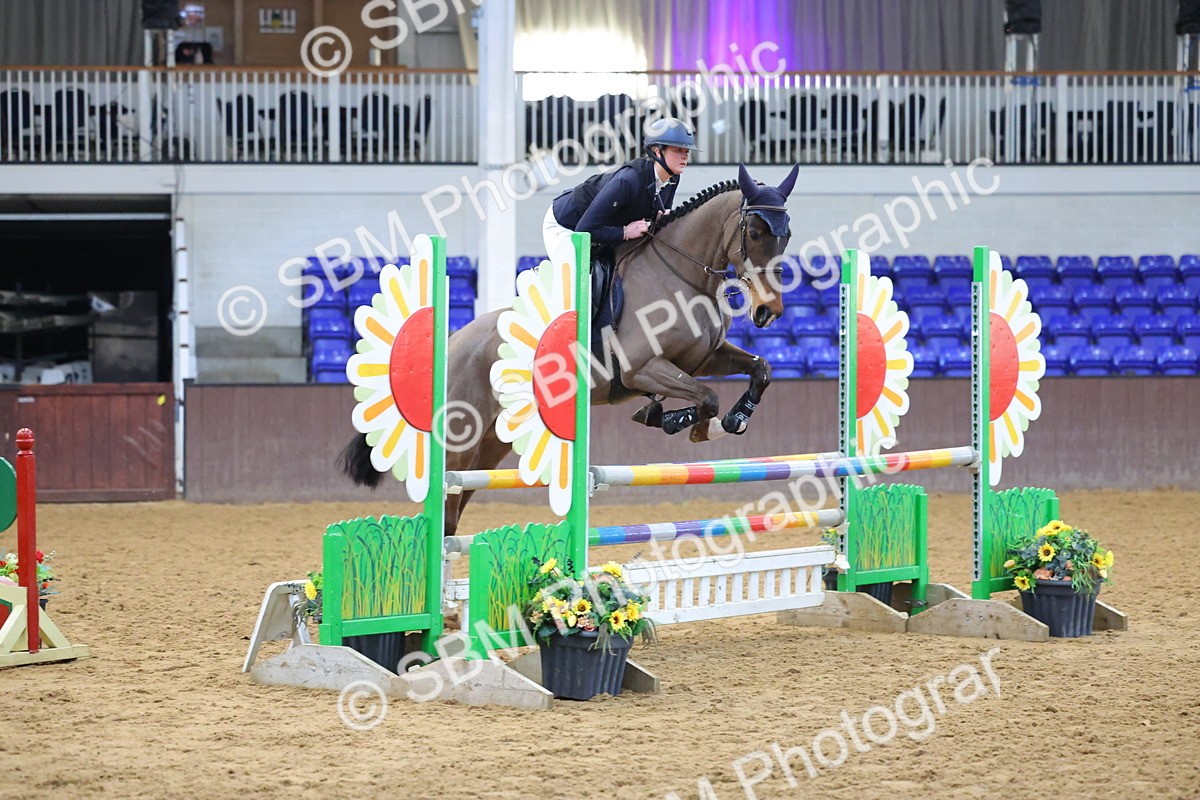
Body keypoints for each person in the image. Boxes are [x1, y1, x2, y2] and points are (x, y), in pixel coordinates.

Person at [542, 117, 698, 257]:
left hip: (600, 229)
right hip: (565, 224)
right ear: (658, 152)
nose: (685, 156)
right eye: (678, 150)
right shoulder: (628, 181)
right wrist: (624, 233)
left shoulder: (673, 177)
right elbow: (584, 229)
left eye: (687, 151)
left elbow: (656, 215)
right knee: (578, 277)